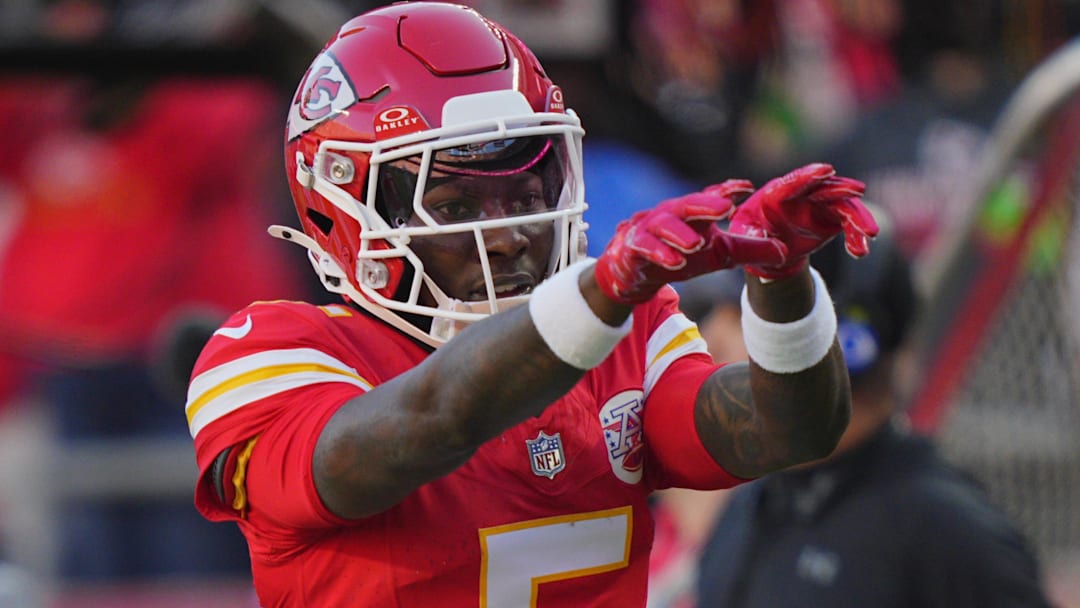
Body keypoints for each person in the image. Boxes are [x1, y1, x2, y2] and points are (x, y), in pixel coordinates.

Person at [184, 3, 880, 606]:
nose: (511, 233)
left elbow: (790, 430)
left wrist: (783, 284)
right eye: (456, 205)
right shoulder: (272, 351)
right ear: (342, 209)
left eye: (525, 198)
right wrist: (599, 295)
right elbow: (431, 421)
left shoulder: (621, 328)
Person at [694, 217, 1054, 607]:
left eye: (741, 315)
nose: (712, 336)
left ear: (835, 348)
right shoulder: (760, 497)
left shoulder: (947, 531)